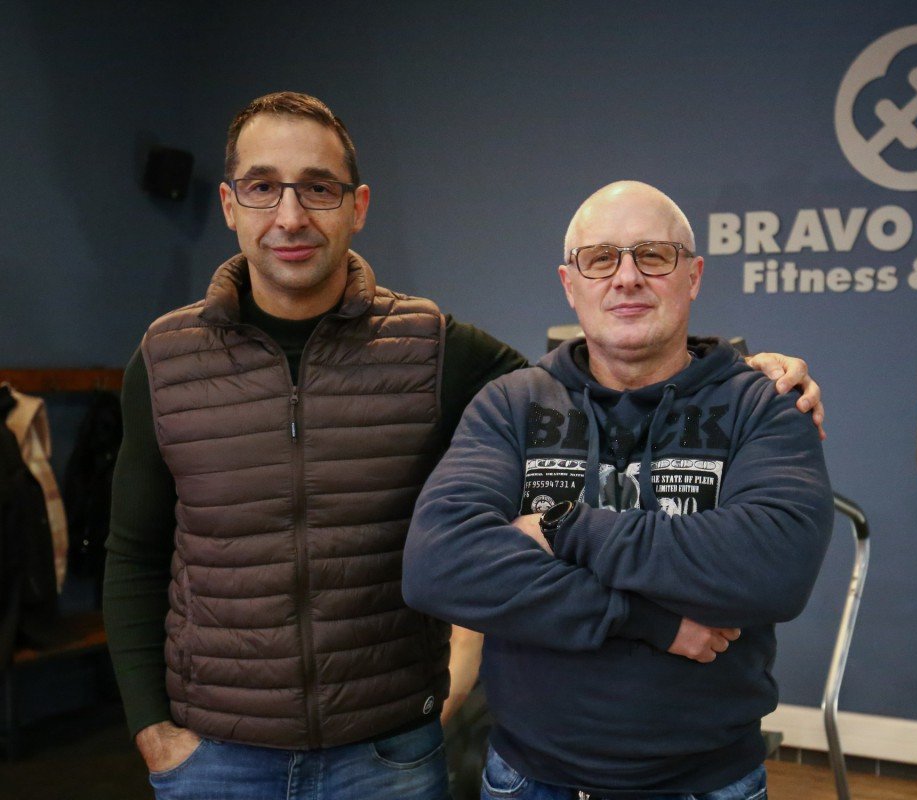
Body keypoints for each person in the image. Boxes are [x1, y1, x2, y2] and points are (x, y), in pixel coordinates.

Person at [102, 94, 824, 800]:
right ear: (230, 204)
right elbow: (138, 553)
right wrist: (151, 729)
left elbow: (766, 554)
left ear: (358, 205)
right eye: (263, 186)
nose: (290, 215)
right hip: (216, 754)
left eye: (319, 188)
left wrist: (745, 379)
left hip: (387, 748)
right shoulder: (165, 358)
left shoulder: (437, 349)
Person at [403, 181, 835, 799]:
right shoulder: (512, 404)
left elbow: (773, 567)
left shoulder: (763, 404)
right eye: (601, 258)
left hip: (708, 782)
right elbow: (439, 565)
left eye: (653, 256)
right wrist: (645, 618)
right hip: (529, 779)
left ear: (693, 276)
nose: (627, 277)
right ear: (569, 283)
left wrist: (562, 526)